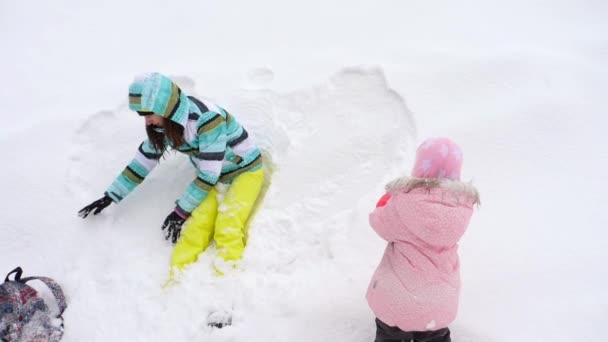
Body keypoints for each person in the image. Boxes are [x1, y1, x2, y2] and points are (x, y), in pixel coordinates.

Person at [78, 72, 264, 271]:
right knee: (197, 225)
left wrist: (180, 212)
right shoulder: (166, 126)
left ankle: (230, 277)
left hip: (245, 170)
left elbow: (208, 175)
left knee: (228, 225)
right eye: (143, 116)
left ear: (164, 106)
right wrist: (111, 196)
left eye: (148, 114)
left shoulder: (208, 120)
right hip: (213, 175)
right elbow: (143, 161)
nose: (147, 121)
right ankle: (177, 278)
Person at [366, 137, 480, 342]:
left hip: (397, 300)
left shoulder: (403, 202)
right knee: (435, 334)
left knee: (390, 334)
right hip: (438, 301)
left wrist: (385, 202)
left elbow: (378, 223)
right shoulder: (462, 207)